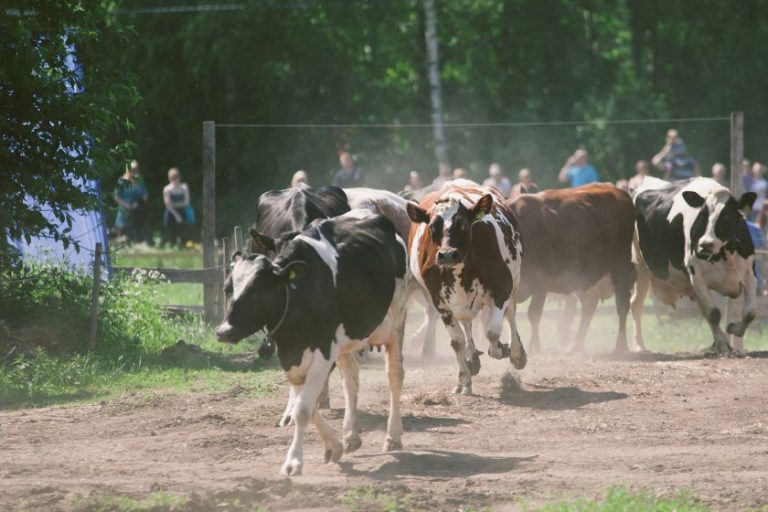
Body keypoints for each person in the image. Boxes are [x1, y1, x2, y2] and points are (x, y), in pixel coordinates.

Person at [113, 160, 148, 242]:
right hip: (124, 206)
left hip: (137, 206)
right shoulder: (121, 181)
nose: (135, 171)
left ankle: (139, 239)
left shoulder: (139, 180)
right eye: (133, 169)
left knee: (139, 212)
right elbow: (116, 197)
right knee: (123, 214)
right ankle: (121, 237)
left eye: (136, 169)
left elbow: (145, 195)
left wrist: (139, 201)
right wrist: (126, 204)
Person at [162, 167, 195, 246]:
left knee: (183, 230)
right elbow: (168, 205)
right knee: (171, 230)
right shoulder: (167, 189)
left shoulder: (184, 187)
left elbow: (186, 203)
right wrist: (176, 215)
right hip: (171, 212)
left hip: (182, 211)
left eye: (176, 177)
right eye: (172, 178)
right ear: (169, 178)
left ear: (179, 177)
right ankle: (172, 246)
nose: (175, 180)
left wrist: (174, 204)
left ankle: (184, 245)